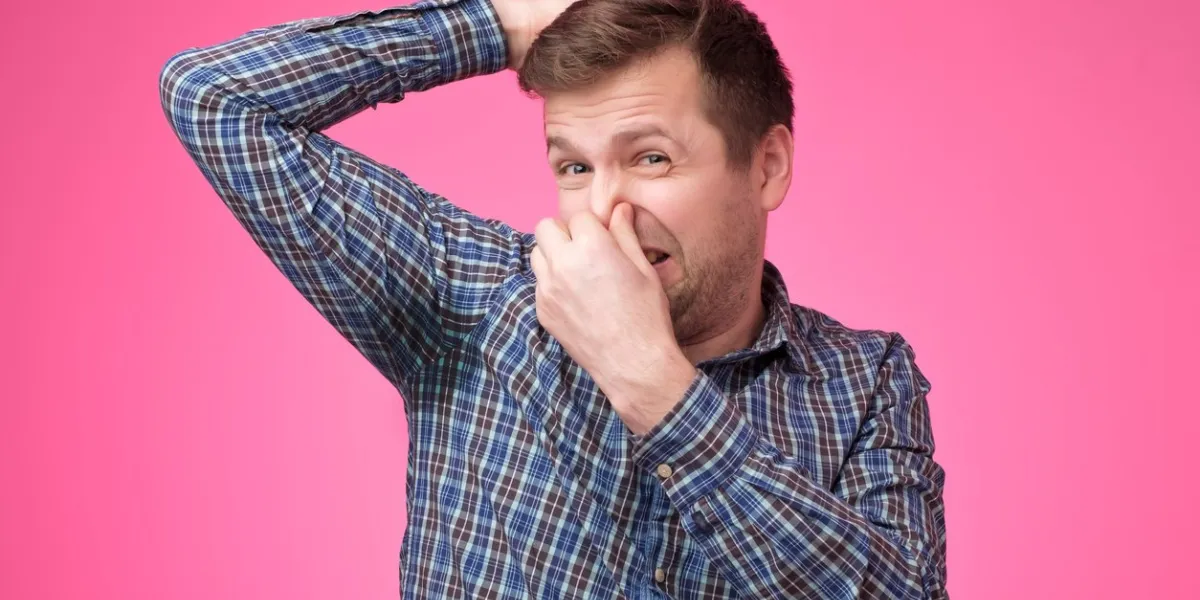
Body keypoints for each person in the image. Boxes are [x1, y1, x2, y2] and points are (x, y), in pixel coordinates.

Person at [158, 0, 948, 597]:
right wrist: (503, 25)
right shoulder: (480, 298)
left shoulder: (865, 381)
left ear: (767, 165)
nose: (604, 210)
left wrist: (652, 384)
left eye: (650, 158)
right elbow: (215, 98)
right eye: (574, 167)